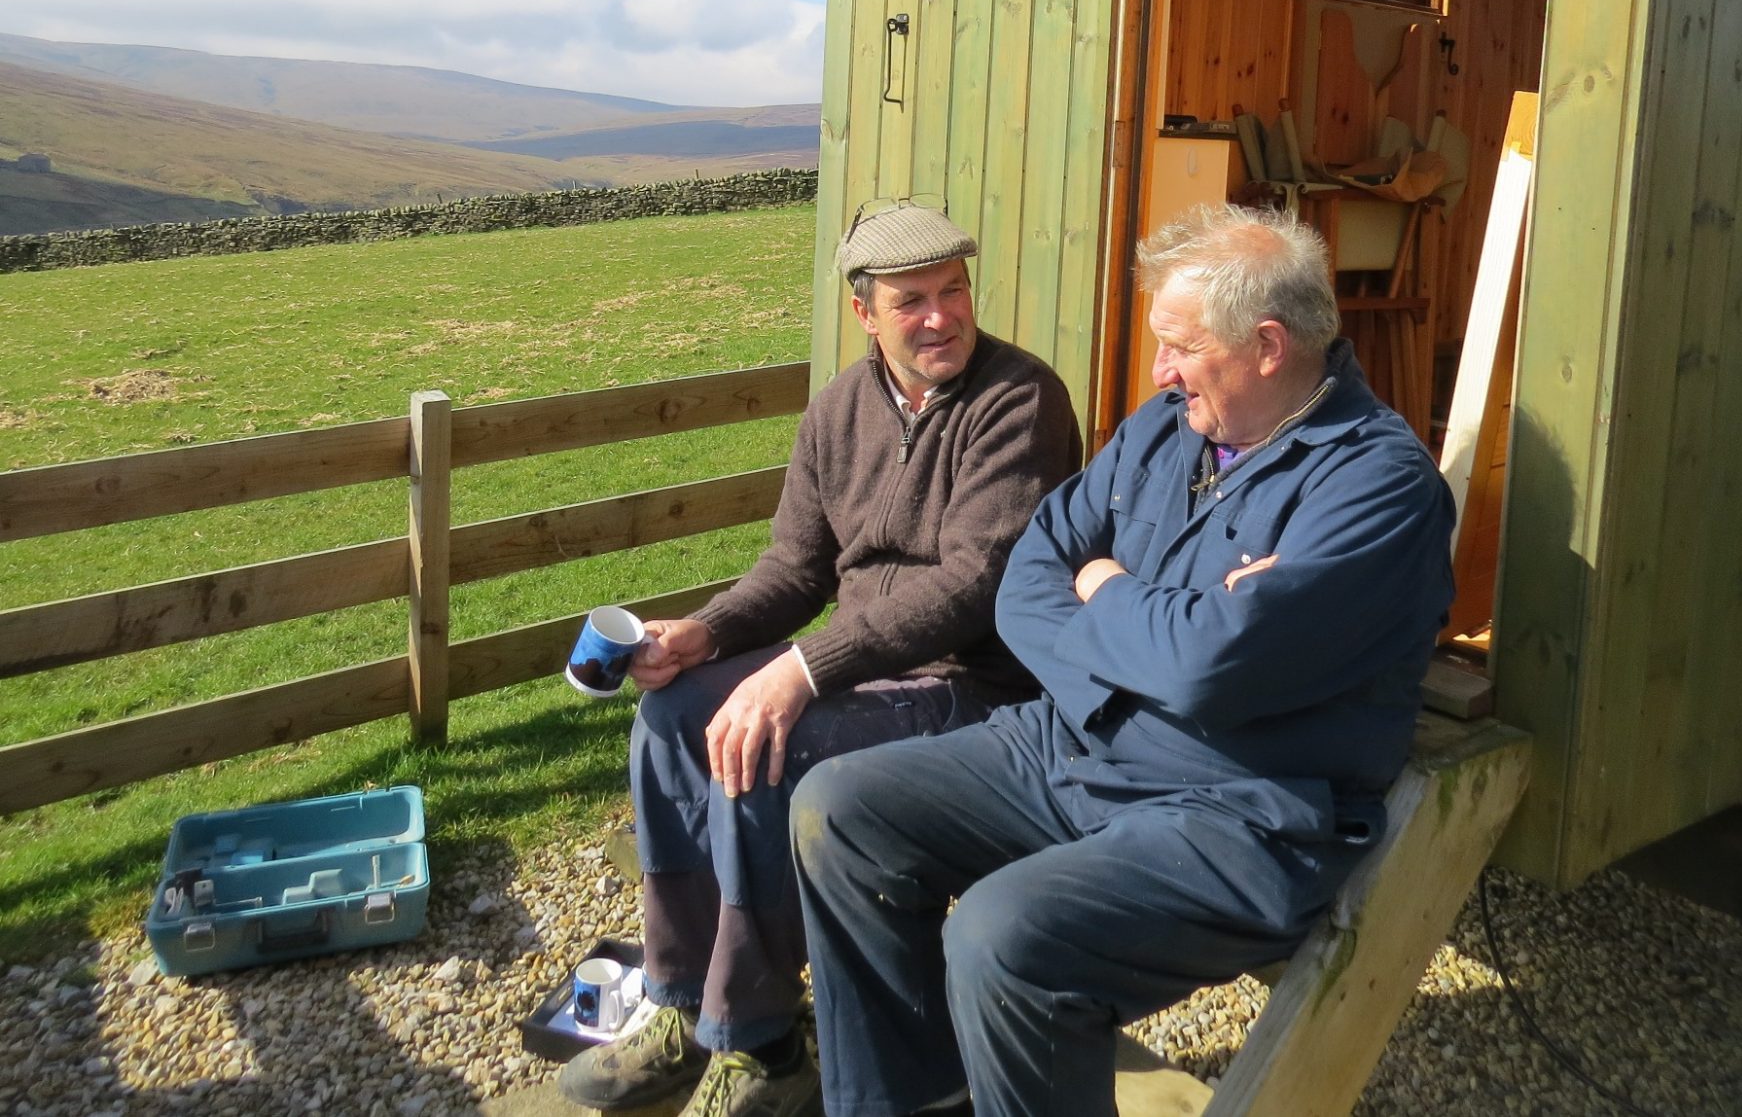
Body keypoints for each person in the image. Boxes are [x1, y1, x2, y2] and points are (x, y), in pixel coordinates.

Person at [792, 203, 1455, 1117]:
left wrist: (1104, 587)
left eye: (1179, 345)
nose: (1158, 369)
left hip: (1236, 807)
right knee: (841, 810)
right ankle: (915, 1100)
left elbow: (1210, 669)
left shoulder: (1376, 486)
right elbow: (1027, 578)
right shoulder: (1165, 428)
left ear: (1267, 344)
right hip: (1073, 741)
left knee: (1003, 934)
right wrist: (1154, 628)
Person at [560, 203, 1082, 1117]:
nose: (940, 316)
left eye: (953, 291)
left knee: (768, 749)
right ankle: (683, 1000)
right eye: (911, 300)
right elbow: (797, 567)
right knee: (673, 717)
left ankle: (762, 1044)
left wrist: (798, 671)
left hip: (972, 686)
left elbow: (972, 585)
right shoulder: (839, 409)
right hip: (862, 669)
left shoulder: (1020, 400)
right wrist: (707, 633)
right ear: (865, 314)